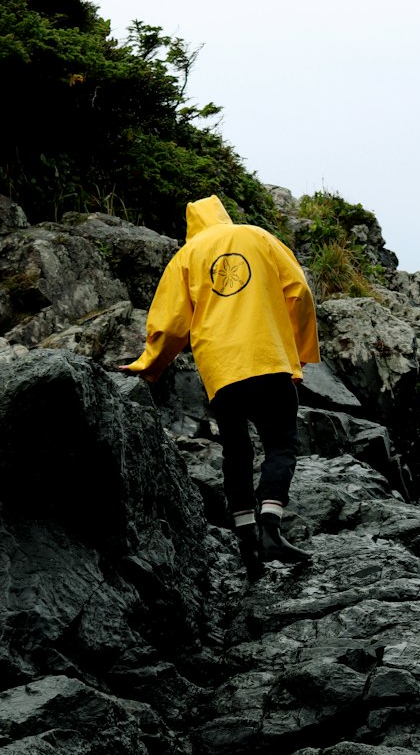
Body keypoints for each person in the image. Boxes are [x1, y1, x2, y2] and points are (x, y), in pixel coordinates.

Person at [120, 194, 319, 576]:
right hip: (268, 358)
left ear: (193, 225)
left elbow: (171, 322)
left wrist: (149, 366)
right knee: (281, 444)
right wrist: (300, 351)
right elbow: (299, 292)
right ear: (224, 216)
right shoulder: (259, 237)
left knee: (237, 451)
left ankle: (246, 539)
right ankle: (271, 529)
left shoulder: (188, 255)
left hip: (221, 370)